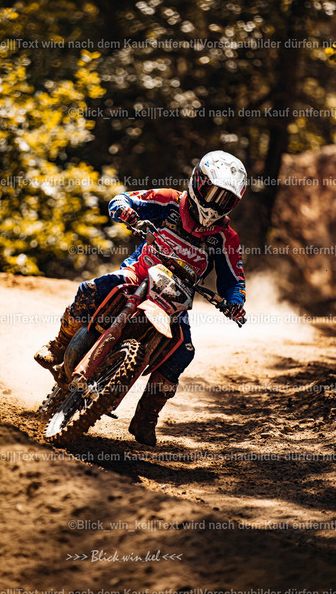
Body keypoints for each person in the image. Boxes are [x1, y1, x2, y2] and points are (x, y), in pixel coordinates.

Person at [35, 150, 247, 446]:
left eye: (225, 199)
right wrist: (126, 212)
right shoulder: (169, 200)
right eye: (212, 194)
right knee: (92, 288)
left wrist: (235, 303)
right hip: (139, 274)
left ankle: (146, 415)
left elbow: (234, 278)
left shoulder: (226, 238)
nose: (215, 204)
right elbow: (124, 200)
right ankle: (59, 344)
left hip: (176, 300)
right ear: (198, 182)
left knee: (184, 351)